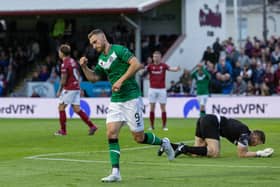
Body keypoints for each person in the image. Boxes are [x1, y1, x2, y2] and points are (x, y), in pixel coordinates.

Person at [79, 29, 175, 183]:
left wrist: (120, 80)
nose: (94, 45)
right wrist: (84, 67)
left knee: (139, 137)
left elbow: (136, 64)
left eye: (95, 41)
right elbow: (94, 78)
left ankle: (164, 142)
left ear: (103, 38)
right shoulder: (102, 59)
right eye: (91, 43)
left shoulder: (119, 50)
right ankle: (115, 172)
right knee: (111, 133)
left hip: (131, 98)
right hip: (116, 101)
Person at [158, 114, 273, 158]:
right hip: (212, 122)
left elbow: (243, 149)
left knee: (196, 153)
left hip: (205, 119)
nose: (255, 145)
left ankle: (167, 145)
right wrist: (259, 153)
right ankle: (183, 148)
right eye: (258, 143)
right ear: (256, 137)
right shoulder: (245, 133)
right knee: (214, 152)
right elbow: (241, 154)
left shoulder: (245, 132)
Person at [55, 44, 98, 136]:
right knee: (76, 109)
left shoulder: (65, 63)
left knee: (61, 107)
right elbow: (77, 75)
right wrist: (79, 87)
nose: (58, 53)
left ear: (62, 53)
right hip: (75, 87)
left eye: (59, 52)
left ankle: (63, 131)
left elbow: (63, 79)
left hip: (69, 88)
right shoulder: (73, 61)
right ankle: (92, 126)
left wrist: (59, 90)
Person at [143, 51, 180, 131]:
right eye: (154, 56)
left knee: (163, 108)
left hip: (162, 89)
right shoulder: (150, 66)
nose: (156, 58)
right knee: (152, 108)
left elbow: (170, 68)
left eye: (157, 56)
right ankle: (152, 126)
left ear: (160, 57)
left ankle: (164, 126)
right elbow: (143, 72)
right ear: (153, 58)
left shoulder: (163, 65)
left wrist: (176, 69)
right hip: (152, 89)